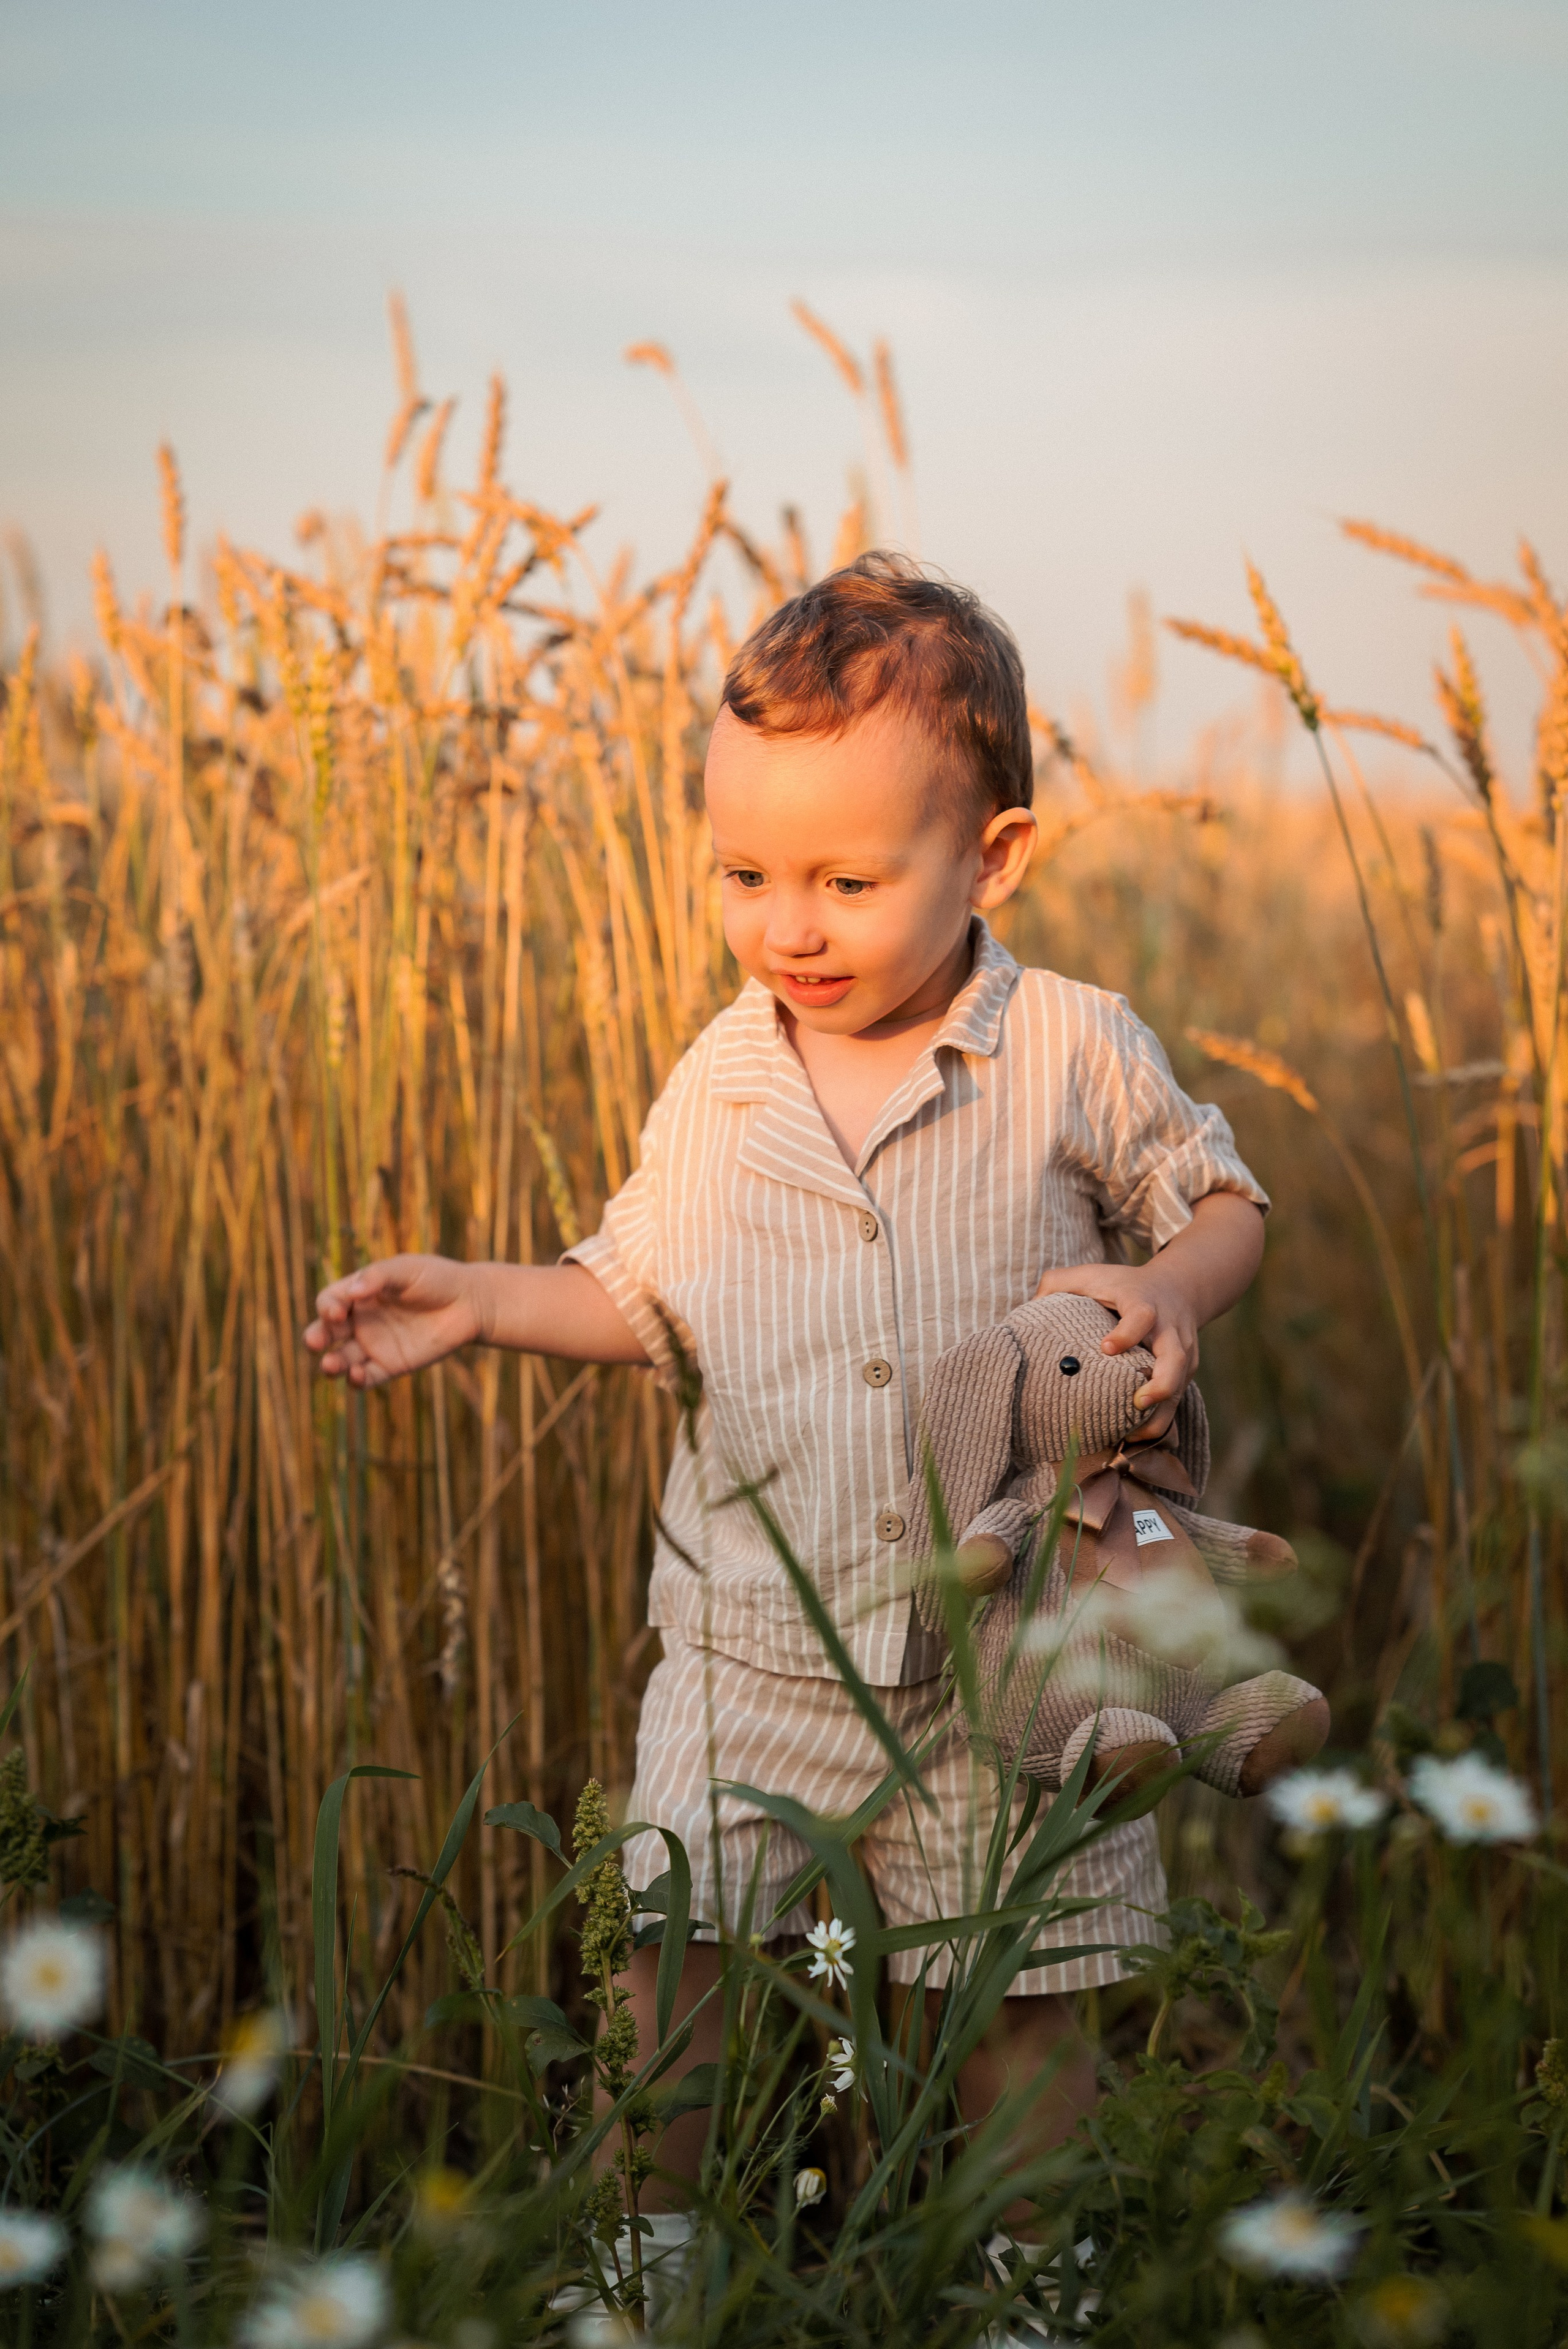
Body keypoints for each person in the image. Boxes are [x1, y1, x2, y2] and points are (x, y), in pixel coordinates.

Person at [305, 552, 1268, 2210]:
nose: (787, 925)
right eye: (745, 871)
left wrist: (1171, 1289)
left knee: (1023, 2006)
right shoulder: (724, 1075)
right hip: (750, 1649)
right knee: (663, 1983)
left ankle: (1032, 2289)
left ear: (994, 853)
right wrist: (478, 1300)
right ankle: (650, 2269)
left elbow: (1223, 1200)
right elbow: (648, 1294)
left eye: (844, 879)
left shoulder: (1071, 1048)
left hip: (1012, 1663)